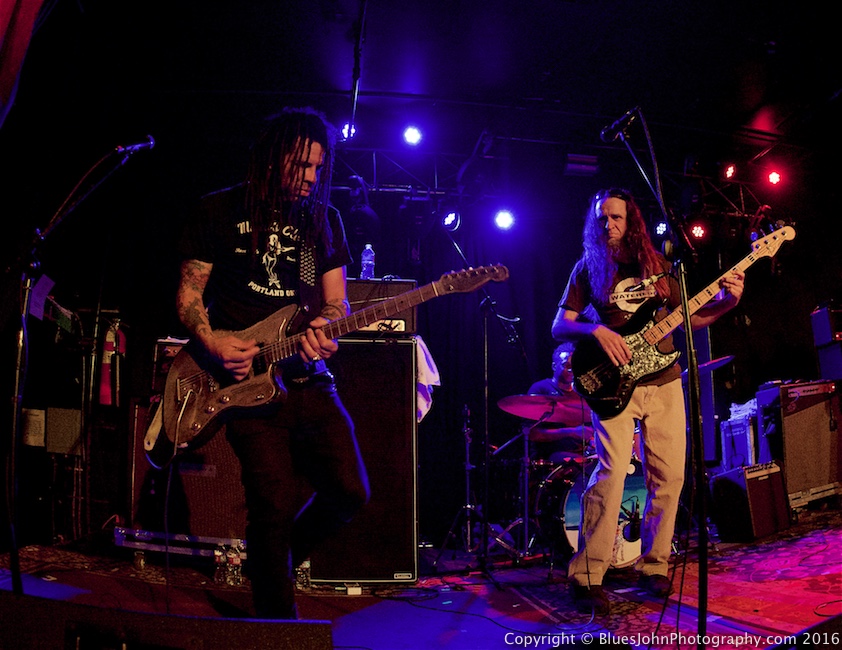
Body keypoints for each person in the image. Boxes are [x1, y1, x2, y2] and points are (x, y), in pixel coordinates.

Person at [175, 106, 370, 619]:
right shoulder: (218, 210)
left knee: (350, 491)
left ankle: (269, 566)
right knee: (272, 506)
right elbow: (189, 297)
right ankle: (276, 623)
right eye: (301, 166)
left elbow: (337, 302)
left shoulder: (323, 220)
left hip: (308, 377)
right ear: (272, 158)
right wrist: (212, 343)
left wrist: (325, 325)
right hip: (246, 385)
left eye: (318, 168)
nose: (311, 177)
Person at [551, 188, 743, 616]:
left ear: (631, 221)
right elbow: (559, 325)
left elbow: (689, 319)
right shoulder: (587, 268)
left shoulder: (657, 267)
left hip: (664, 380)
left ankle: (655, 566)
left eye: (616, 217)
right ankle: (587, 575)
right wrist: (596, 330)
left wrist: (728, 303)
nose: (608, 225)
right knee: (611, 475)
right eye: (602, 218)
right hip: (613, 385)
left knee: (669, 477)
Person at [525, 342, 594, 464]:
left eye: (574, 365)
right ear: (554, 366)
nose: (571, 369)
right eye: (566, 365)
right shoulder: (541, 389)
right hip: (550, 456)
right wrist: (572, 432)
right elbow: (533, 434)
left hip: (581, 454)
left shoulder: (581, 393)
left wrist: (593, 439)